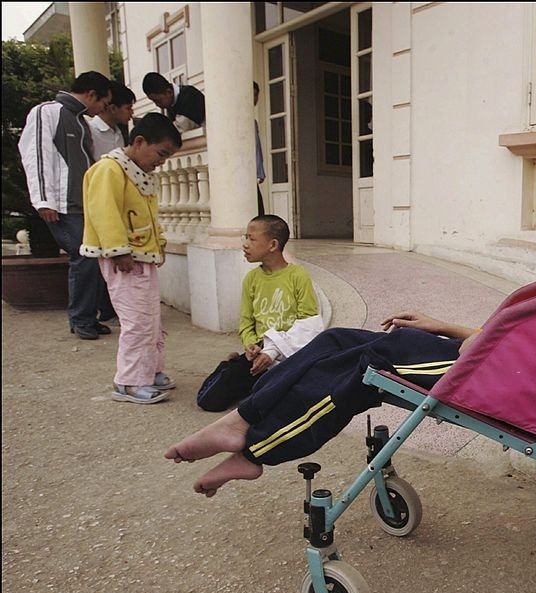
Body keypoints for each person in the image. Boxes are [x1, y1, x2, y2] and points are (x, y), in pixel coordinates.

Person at [164, 168, 536, 496]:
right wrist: (444, 327)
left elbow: (534, 356)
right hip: (489, 362)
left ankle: (257, 448)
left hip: (499, 382)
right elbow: (524, 341)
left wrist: (461, 344)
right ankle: (243, 417)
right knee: (337, 340)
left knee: (362, 367)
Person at [80, 113, 183, 404]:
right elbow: (104, 211)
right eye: (161, 154)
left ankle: (149, 370)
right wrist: (119, 250)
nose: (161, 161)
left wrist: (158, 244)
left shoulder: (138, 173)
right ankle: (129, 381)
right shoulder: (110, 170)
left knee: (150, 317)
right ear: (139, 142)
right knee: (137, 320)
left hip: (142, 257)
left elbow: (150, 217)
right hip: (125, 259)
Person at [18, 71, 116, 341]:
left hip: (83, 204)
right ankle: (81, 318)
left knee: (93, 257)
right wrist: (43, 201)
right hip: (60, 205)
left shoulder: (81, 121)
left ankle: (88, 317)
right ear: (91, 95)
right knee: (83, 257)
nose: (101, 111)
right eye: (103, 104)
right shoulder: (48, 112)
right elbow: (35, 154)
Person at [195, 215, 322, 412]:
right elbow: (246, 322)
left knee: (276, 404)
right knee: (209, 400)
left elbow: (308, 323)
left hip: (288, 355)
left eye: (252, 239)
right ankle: (230, 364)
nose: (245, 244)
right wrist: (251, 345)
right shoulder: (251, 279)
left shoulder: (298, 276)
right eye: (246, 238)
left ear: (272, 244)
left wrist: (274, 351)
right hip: (257, 356)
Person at [89, 82, 136, 158]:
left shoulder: (119, 133)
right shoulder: (90, 131)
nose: (132, 112)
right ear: (113, 108)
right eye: (128, 108)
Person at [254, 82, 266, 215]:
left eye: (256, 95)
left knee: (259, 210)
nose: (255, 98)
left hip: (252, 173)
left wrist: (260, 170)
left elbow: (257, 148)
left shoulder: (253, 122)